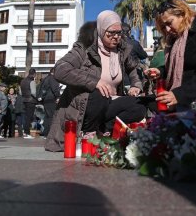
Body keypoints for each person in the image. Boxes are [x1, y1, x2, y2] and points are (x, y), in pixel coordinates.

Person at [45, 12, 146, 152]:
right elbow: (60, 70)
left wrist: (136, 85)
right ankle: (86, 135)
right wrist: (94, 82)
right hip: (85, 104)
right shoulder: (84, 48)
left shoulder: (122, 49)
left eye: (119, 32)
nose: (116, 36)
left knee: (139, 106)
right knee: (99, 93)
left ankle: (104, 133)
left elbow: (132, 69)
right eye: (111, 33)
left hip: (110, 101)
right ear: (101, 30)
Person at [38, 68, 61, 137]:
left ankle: (46, 133)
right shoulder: (52, 78)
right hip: (51, 99)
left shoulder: (45, 79)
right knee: (51, 117)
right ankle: (51, 134)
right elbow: (55, 88)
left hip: (46, 100)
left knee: (47, 117)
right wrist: (58, 96)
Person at [20, 68, 38, 139]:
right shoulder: (32, 81)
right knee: (29, 117)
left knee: (25, 117)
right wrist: (37, 98)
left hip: (24, 100)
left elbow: (20, 92)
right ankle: (27, 133)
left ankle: (25, 132)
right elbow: (33, 92)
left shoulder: (22, 81)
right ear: (34, 74)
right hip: (31, 101)